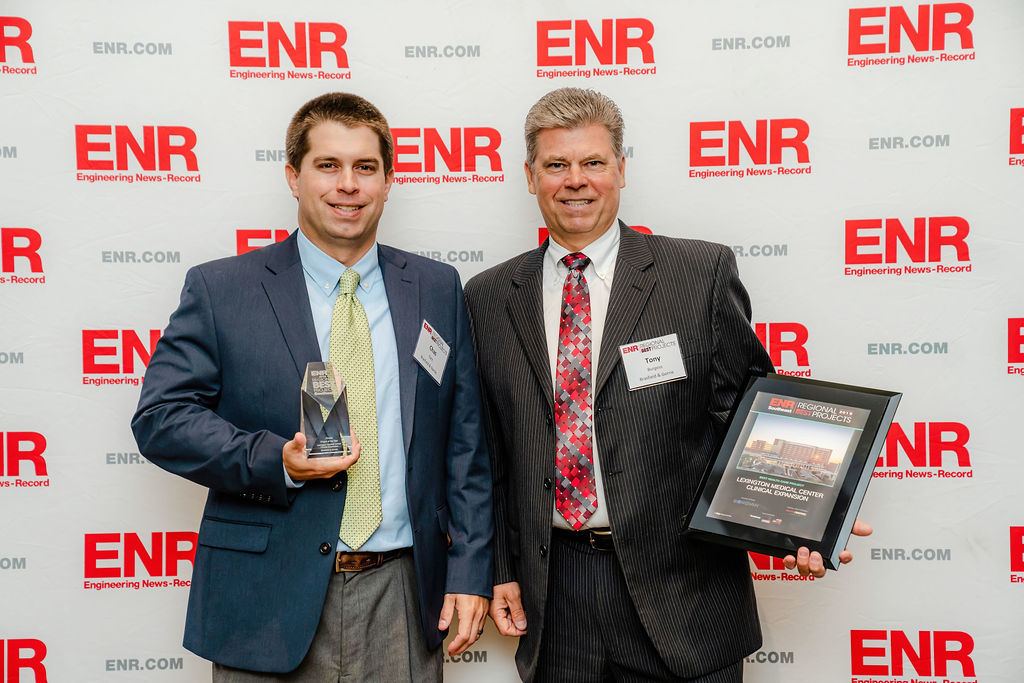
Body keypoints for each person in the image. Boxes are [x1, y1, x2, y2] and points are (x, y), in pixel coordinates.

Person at [463, 87, 870, 682]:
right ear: (530, 176)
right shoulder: (490, 297)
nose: (576, 181)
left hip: (683, 596)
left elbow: (749, 417)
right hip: (558, 595)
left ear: (621, 169)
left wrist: (805, 518)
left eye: (593, 163)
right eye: (557, 165)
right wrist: (498, 566)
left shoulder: (697, 274)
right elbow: (492, 452)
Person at [132, 92, 492, 681]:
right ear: (293, 176)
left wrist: (471, 572)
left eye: (365, 167)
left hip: (403, 590)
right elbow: (161, 418)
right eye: (328, 165)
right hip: (267, 598)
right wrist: (278, 460)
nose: (347, 185)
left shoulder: (435, 287)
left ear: (387, 180)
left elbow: (465, 444)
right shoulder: (224, 289)